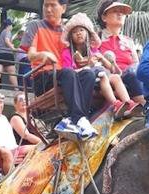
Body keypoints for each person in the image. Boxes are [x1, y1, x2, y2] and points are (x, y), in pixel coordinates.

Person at [20, 0, 97, 139]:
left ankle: (78, 120)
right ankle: (79, 118)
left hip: (67, 75)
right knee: (68, 73)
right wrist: (42, 54)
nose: (48, 9)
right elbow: (30, 55)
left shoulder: (67, 32)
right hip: (43, 76)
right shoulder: (35, 26)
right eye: (46, 5)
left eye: (53, 5)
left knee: (88, 74)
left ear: (63, 8)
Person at [60, 12, 138, 120]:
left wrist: (102, 59)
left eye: (81, 30)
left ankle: (129, 102)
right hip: (85, 80)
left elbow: (111, 68)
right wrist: (88, 65)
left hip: (100, 74)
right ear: (70, 37)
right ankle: (115, 103)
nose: (78, 33)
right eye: (74, 32)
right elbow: (68, 72)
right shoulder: (67, 52)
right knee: (103, 76)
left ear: (88, 33)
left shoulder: (93, 50)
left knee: (115, 77)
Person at [97, 1, 145, 109]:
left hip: (132, 77)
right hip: (110, 77)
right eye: (115, 11)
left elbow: (136, 64)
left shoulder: (129, 41)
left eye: (122, 13)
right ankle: (143, 107)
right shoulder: (97, 39)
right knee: (133, 72)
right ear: (104, 17)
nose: (120, 14)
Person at [0, 18, 18, 89]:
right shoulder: (8, 31)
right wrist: (13, 48)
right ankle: (16, 88)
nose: (12, 27)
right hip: (7, 54)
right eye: (11, 25)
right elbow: (7, 41)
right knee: (12, 72)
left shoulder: (2, 32)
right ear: (9, 25)